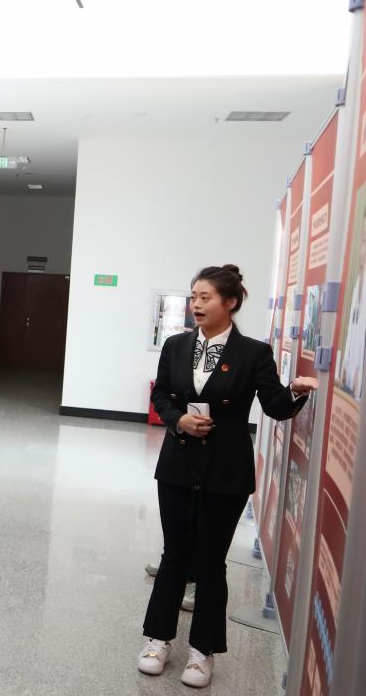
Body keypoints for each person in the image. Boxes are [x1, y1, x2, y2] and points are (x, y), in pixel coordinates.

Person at [139, 265, 317, 688]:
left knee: (210, 561)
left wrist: (296, 391)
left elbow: (274, 405)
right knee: (174, 555)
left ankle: (202, 652)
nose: (196, 305)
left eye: (205, 297)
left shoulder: (253, 353)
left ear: (230, 302)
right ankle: (158, 639)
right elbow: (161, 394)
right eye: (193, 297)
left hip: (226, 469)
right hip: (179, 463)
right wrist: (178, 419)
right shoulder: (176, 345)